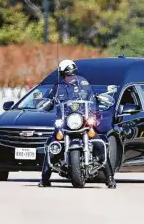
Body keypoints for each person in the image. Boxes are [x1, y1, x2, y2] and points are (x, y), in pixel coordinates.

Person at [38, 59, 116, 189]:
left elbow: (92, 98)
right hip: (65, 123)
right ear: (63, 74)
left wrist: (93, 111)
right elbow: (51, 100)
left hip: (83, 121)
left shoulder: (84, 83)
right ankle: (44, 178)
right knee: (52, 145)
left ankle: (110, 178)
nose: (71, 77)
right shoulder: (58, 87)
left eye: (72, 74)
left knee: (99, 144)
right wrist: (47, 104)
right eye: (68, 75)